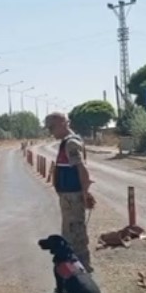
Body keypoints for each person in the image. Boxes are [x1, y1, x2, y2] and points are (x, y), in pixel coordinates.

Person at [44, 112, 96, 272]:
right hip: (68, 196)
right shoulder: (66, 142)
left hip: (72, 196)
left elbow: (82, 168)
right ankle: (75, 271)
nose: (50, 131)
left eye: (51, 127)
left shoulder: (70, 143)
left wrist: (85, 192)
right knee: (70, 232)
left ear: (63, 124)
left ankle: (81, 270)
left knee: (75, 234)